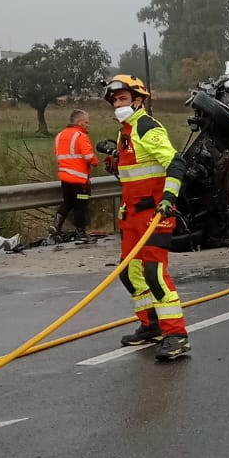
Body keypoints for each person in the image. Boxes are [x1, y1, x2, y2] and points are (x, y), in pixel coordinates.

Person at [96, 74, 191, 361]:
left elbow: (175, 162)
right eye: (114, 101)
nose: (117, 104)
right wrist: (116, 159)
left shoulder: (146, 126)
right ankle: (151, 325)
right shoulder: (126, 132)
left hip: (154, 213)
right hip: (132, 216)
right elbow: (136, 170)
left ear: (138, 100)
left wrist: (168, 198)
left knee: (154, 273)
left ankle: (176, 335)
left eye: (122, 99)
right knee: (130, 273)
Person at [52, 108, 97, 242]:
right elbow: (89, 156)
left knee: (68, 203)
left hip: (65, 178)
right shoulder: (80, 136)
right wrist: (96, 161)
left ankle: (55, 225)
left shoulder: (59, 135)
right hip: (79, 179)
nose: (87, 125)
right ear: (79, 122)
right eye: (86, 122)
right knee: (81, 205)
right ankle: (80, 232)